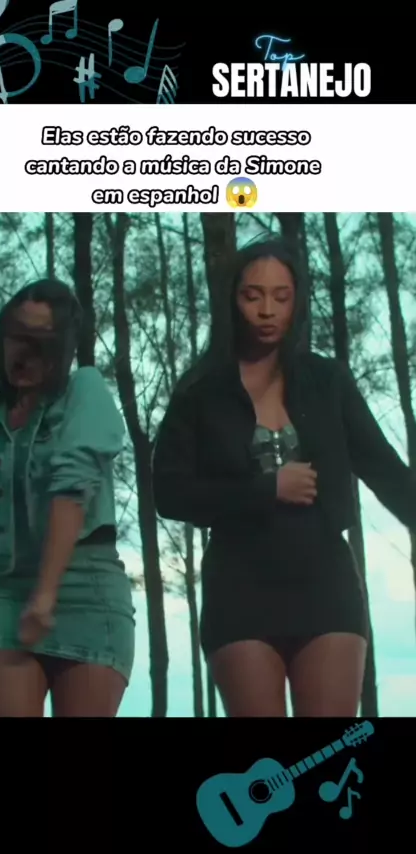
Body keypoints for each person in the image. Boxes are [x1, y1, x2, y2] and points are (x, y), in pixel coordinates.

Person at [152, 237, 416, 718]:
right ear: (232, 300)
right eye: (252, 296)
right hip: (239, 586)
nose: (267, 310)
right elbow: (169, 494)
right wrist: (264, 490)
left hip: (324, 581)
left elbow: (384, 468)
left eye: (281, 296)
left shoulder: (326, 381)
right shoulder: (200, 391)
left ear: (298, 302)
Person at [0, 279, 134, 717]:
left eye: (39, 340)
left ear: (62, 347)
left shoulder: (84, 390)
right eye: (15, 337)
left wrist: (45, 594)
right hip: (9, 595)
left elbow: (73, 482)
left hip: (87, 590)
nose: (23, 352)